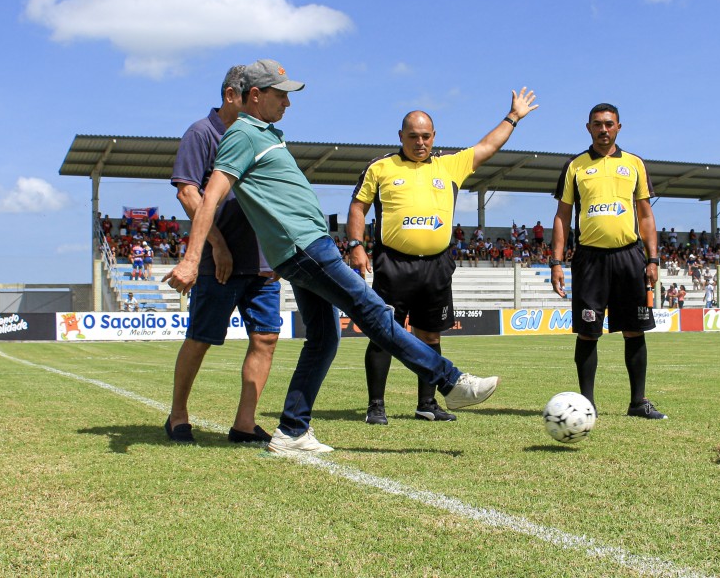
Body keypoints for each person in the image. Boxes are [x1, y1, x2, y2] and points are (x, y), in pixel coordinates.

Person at [164, 59, 500, 455]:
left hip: (301, 249)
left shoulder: (263, 133)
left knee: (324, 339)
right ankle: (451, 383)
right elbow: (210, 196)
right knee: (374, 313)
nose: (288, 103)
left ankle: (291, 430)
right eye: (281, 94)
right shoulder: (243, 134)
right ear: (256, 95)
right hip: (305, 247)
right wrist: (191, 258)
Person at [346, 89, 538, 425]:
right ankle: (376, 405)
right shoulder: (380, 168)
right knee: (382, 333)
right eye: (413, 136)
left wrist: (513, 117)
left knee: (430, 336)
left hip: (436, 265)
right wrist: (355, 245)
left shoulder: (450, 164)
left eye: (425, 136)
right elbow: (358, 207)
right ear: (401, 136)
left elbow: (487, 147)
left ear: (434, 136)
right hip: (394, 264)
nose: (420, 142)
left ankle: (427, 403)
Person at [165, 65, 282, 445]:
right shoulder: (203, 132)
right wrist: (216, 243)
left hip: (262, 260)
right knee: (201, 337)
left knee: (265, 338)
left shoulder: (264, 135)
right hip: (221, 261)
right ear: (233, 95)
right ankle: (178, 414)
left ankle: (244, 424)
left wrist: (279, 249)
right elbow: (188, 193)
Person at [549, 102, 664, 419]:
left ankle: (638, 403)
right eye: (597, 124)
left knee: (634, 329)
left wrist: (652, 259)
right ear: (588, 128)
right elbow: (562, 216)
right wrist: (556, 262)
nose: (603, 129)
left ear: (618, 127)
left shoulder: (634, 164)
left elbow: (646, 214)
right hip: (590, 259)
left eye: (609, 124)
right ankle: (587, 405)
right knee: (588, 332)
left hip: (629, 256)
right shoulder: (575, 166)